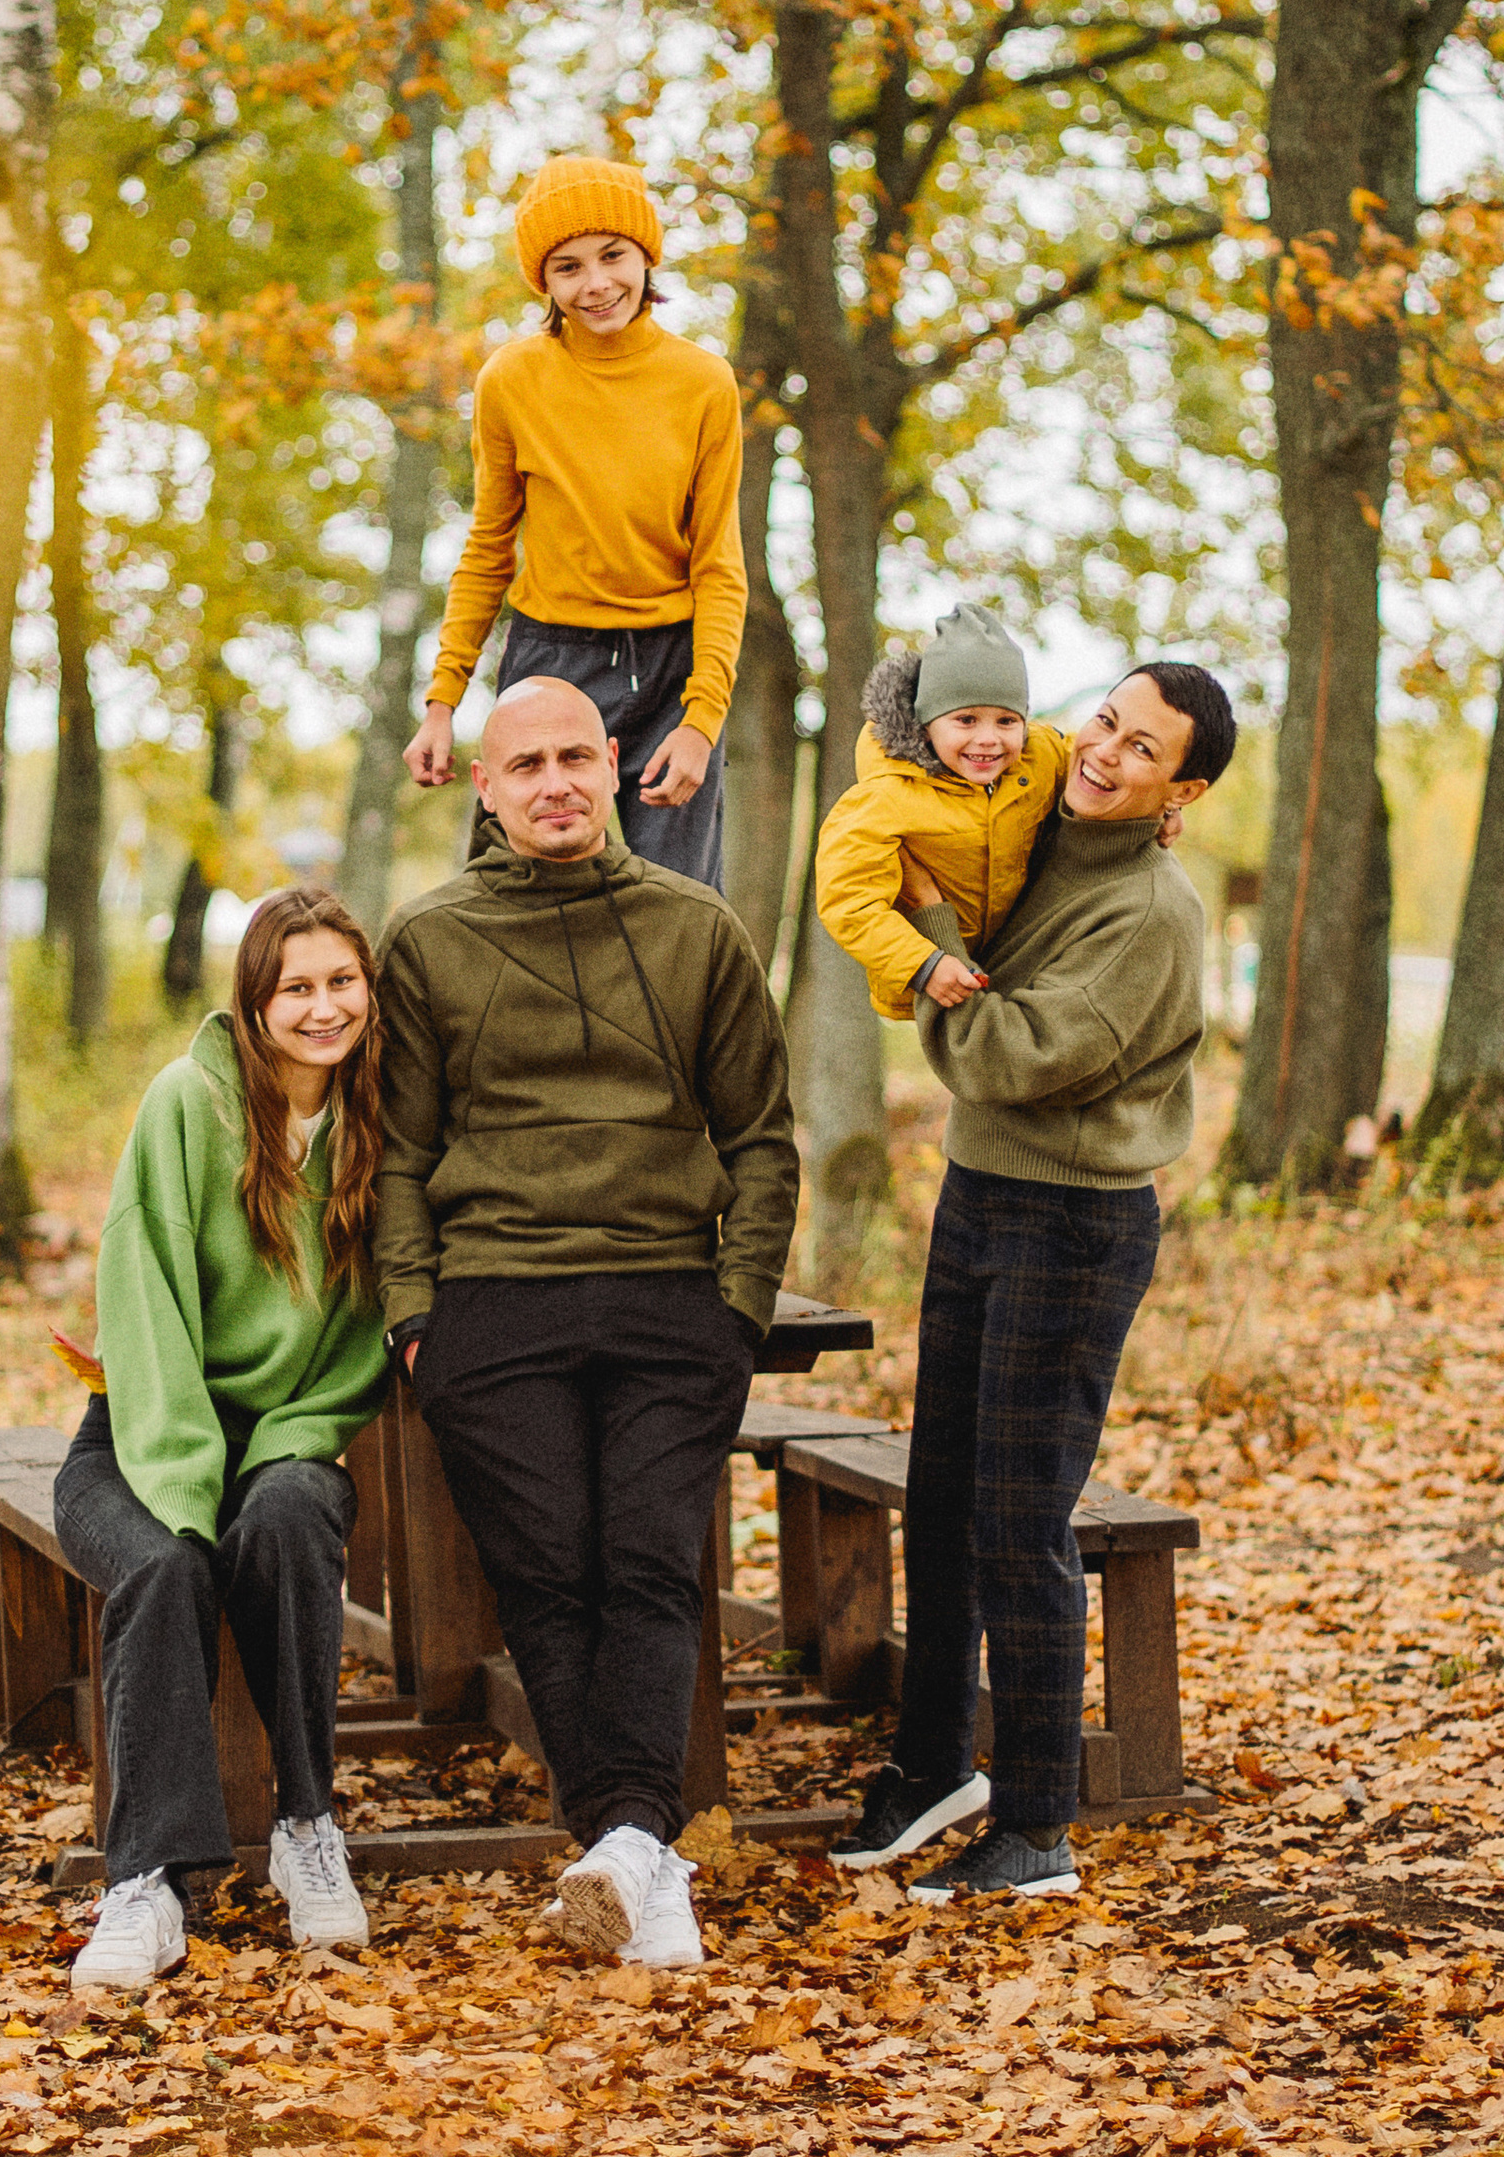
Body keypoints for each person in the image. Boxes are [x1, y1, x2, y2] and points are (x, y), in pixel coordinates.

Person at [377, 674, 799, 1970]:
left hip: (672, 1295)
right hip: (493, 1303)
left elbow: (763, 1141)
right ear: (486, 787)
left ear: (615, 765)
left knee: (654, 1563)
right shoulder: (427, 938)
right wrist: (413, 1315)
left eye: (576, 755)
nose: (555, 780)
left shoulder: (697, 928)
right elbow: (400, 1149)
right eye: (527, 764)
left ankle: (623, 1844)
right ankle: (639, 1850)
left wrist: (737, 1311)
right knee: (551, 1575)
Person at [830, 662, 1235, 1905]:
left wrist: (927, 948)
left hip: (1073, 1222)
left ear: (1186, 789)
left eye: (1142, 748)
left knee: (1018, 1519)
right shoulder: (1047, 827)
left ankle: (1038, 1825)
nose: (1105, 752)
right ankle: (935, 1766)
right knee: (940, 1496)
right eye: (1102, 721)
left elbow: (1014, 1055)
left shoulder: (1153, 913)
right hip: (978, 1196)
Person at [58, 887, 390, 1996]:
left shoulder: (381, 1125)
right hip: (142, 1435)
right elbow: (142, 1307)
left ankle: (306, 1829)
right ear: (253, 1003)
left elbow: (357, 1343)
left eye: (341, 981)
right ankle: (145, 1882)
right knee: (163, 1566)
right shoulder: (185, 1106)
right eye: (295, 986)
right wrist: (187, 1487)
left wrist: (274, 1454)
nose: (321, 1006)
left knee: (290, 1520)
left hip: (285, 1439)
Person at [404, 155, 745, 893]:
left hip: (670, 666)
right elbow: (489, 547)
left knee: (683, 908)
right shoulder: (512, 381)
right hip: (551, 659)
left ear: (645, 255)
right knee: (513, 896)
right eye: (568, 267)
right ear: (545, 281)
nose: (595, 285)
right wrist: (442, 704)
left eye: (613, 256)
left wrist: (701, 720)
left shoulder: (704, 384)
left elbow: (718, 565)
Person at [813, 599, 1073, 1017]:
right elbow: (848, 900)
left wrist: (1162, 804)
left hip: (1016, 967)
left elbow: (1097, 762)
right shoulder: (886, 796)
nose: (989, 738)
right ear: (926, 725)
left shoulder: (1041, 757)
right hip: (931, 980)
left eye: (1006, 721)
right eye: (966, 720)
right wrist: (923, 965)